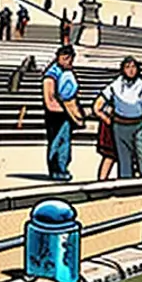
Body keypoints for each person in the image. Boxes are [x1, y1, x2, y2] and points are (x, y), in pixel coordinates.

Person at [94, 56, 142, 178]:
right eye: (127, 67)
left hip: (138, 125)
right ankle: (126, 183)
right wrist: (105, 117)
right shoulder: (115, 85)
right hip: (120, 125)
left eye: (133, 67)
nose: (131, 70)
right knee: (124, 159)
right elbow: (97, 105)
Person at [42, 45, 84, 181]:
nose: (68, 61)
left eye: (70, 59)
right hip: (56, 114)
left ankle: (63, 167)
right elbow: (49, 98)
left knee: (65, 142)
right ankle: (56, 169)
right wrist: (65, 111)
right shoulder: (51, 74)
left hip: (66, 112)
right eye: (65, 58)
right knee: (56, 142)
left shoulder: (67, 72)